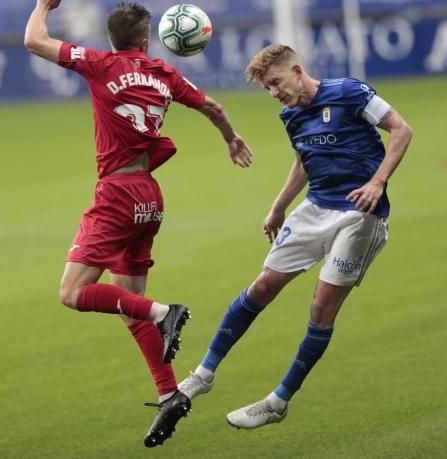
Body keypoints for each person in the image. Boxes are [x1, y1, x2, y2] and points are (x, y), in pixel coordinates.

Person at [23, 0, 253, 447]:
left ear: (112, 39)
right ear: (147, 41)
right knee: (129, 309)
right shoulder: (163, 72)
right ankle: (169, 394)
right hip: (150, 198)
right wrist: (230, 138)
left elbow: (33, 40)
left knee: (73, 292)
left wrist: (44, 6)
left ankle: (167, 312)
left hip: (116, 195)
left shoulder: (99, 63)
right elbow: (214, 106)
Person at [177, 43, 413, 430]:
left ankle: (278, 401)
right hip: (314, 208)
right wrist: (279, 205)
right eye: (266, 88)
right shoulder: (291, 115)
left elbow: (402, 129)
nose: (274, 93)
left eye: (275, 82)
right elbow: (303, 161)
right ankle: (203, 375)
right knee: (261, 287)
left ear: (297, 70)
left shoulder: (351, 93)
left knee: (321, 308)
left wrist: (378, 182)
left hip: (359, 213)